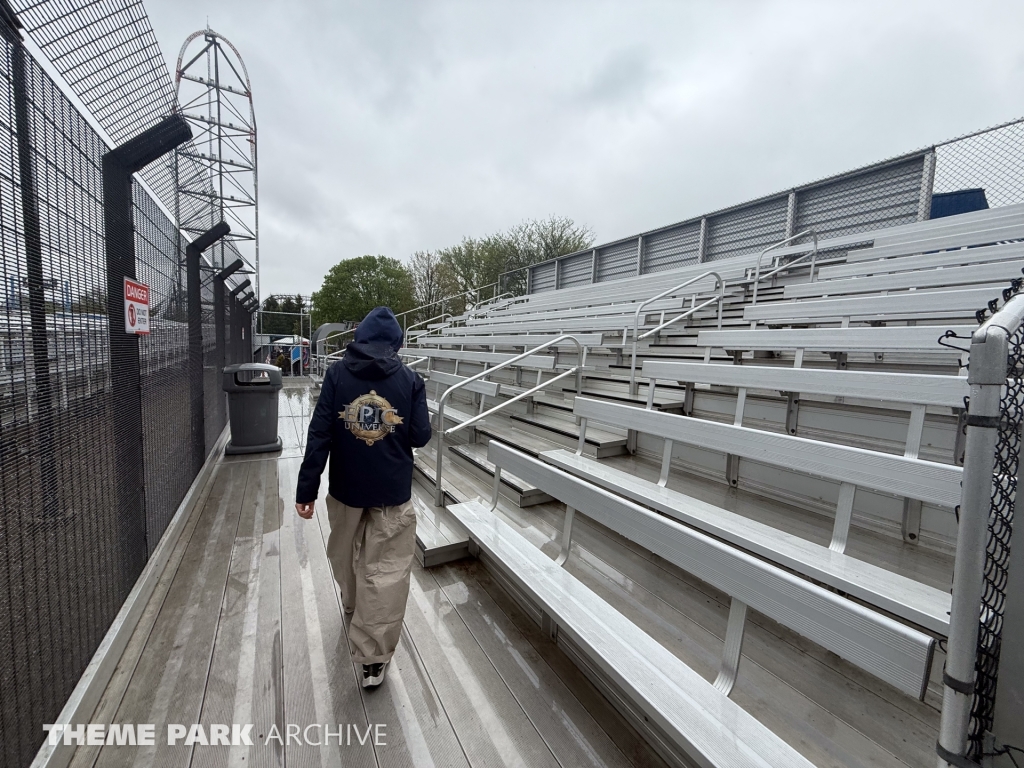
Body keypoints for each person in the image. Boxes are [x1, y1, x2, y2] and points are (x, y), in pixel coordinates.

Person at [294, 306, 431, 688]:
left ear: (358, 337)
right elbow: (420, 436)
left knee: (346, 555)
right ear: (397, 343)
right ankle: (373, 659)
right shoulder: (411, 379)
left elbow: (320, 433)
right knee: (385, 572)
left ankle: (354, 605)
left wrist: (306, 489)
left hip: (346, 489)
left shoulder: (337, 374)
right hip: (391, 492)